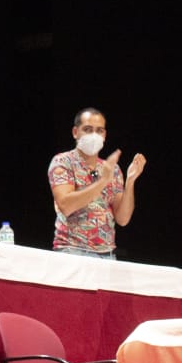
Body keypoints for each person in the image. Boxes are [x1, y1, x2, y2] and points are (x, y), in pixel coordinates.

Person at [47, 108, 145, 259]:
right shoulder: (63, 162)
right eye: (87, 129)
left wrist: (130, 181)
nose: (94, 135)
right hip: (72, 251)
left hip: (107, 254)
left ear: (104, 135)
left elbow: (123, 219)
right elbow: (66, 206)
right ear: (75, 132)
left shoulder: (113, 169)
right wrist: (103, 181)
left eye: (99, 131)